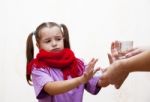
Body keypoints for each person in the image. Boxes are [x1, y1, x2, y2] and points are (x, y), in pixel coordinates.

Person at [26, 22, 102, 102]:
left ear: (63, 39)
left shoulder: (78, 64)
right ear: (38, 46)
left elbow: (100, 82)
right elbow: (50, 88)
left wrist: (114, 68)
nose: (54, 44)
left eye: (58, 39)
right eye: (48, 41)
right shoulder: (38, 67)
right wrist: (81, 80)